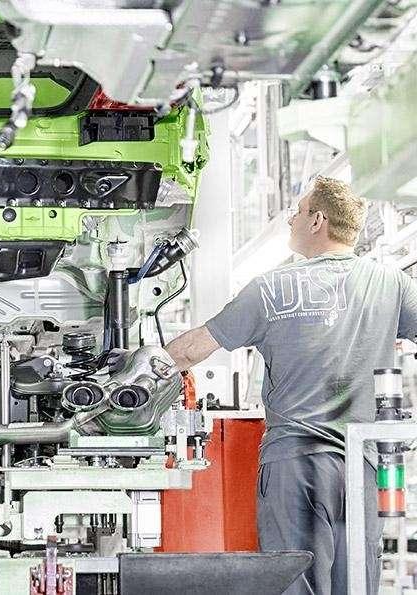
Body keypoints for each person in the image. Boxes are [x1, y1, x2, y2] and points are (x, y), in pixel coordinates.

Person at [166, 177, 417, 594]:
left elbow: (191, 350)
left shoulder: (270, 288)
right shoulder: (392, 285)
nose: (290, 220)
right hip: (362, 468)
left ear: (318, 220)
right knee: (358, 584)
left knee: (297, 584)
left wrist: (129, 371)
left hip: (294, 464)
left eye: (297, 212)